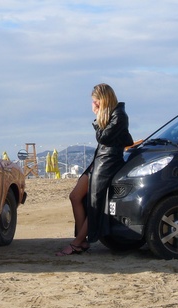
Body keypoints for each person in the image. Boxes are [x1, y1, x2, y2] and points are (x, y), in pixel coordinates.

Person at [56, 83, 133, 256]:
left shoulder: (119, 115)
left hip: (108, 162)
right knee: (75, 196)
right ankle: (81, 239)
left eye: (95, 101)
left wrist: (98, 119)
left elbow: (104, 137)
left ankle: (78, 243)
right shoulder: (112, 116)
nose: (93, 105)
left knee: (94, 203)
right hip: (99, 161)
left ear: (102, 101)